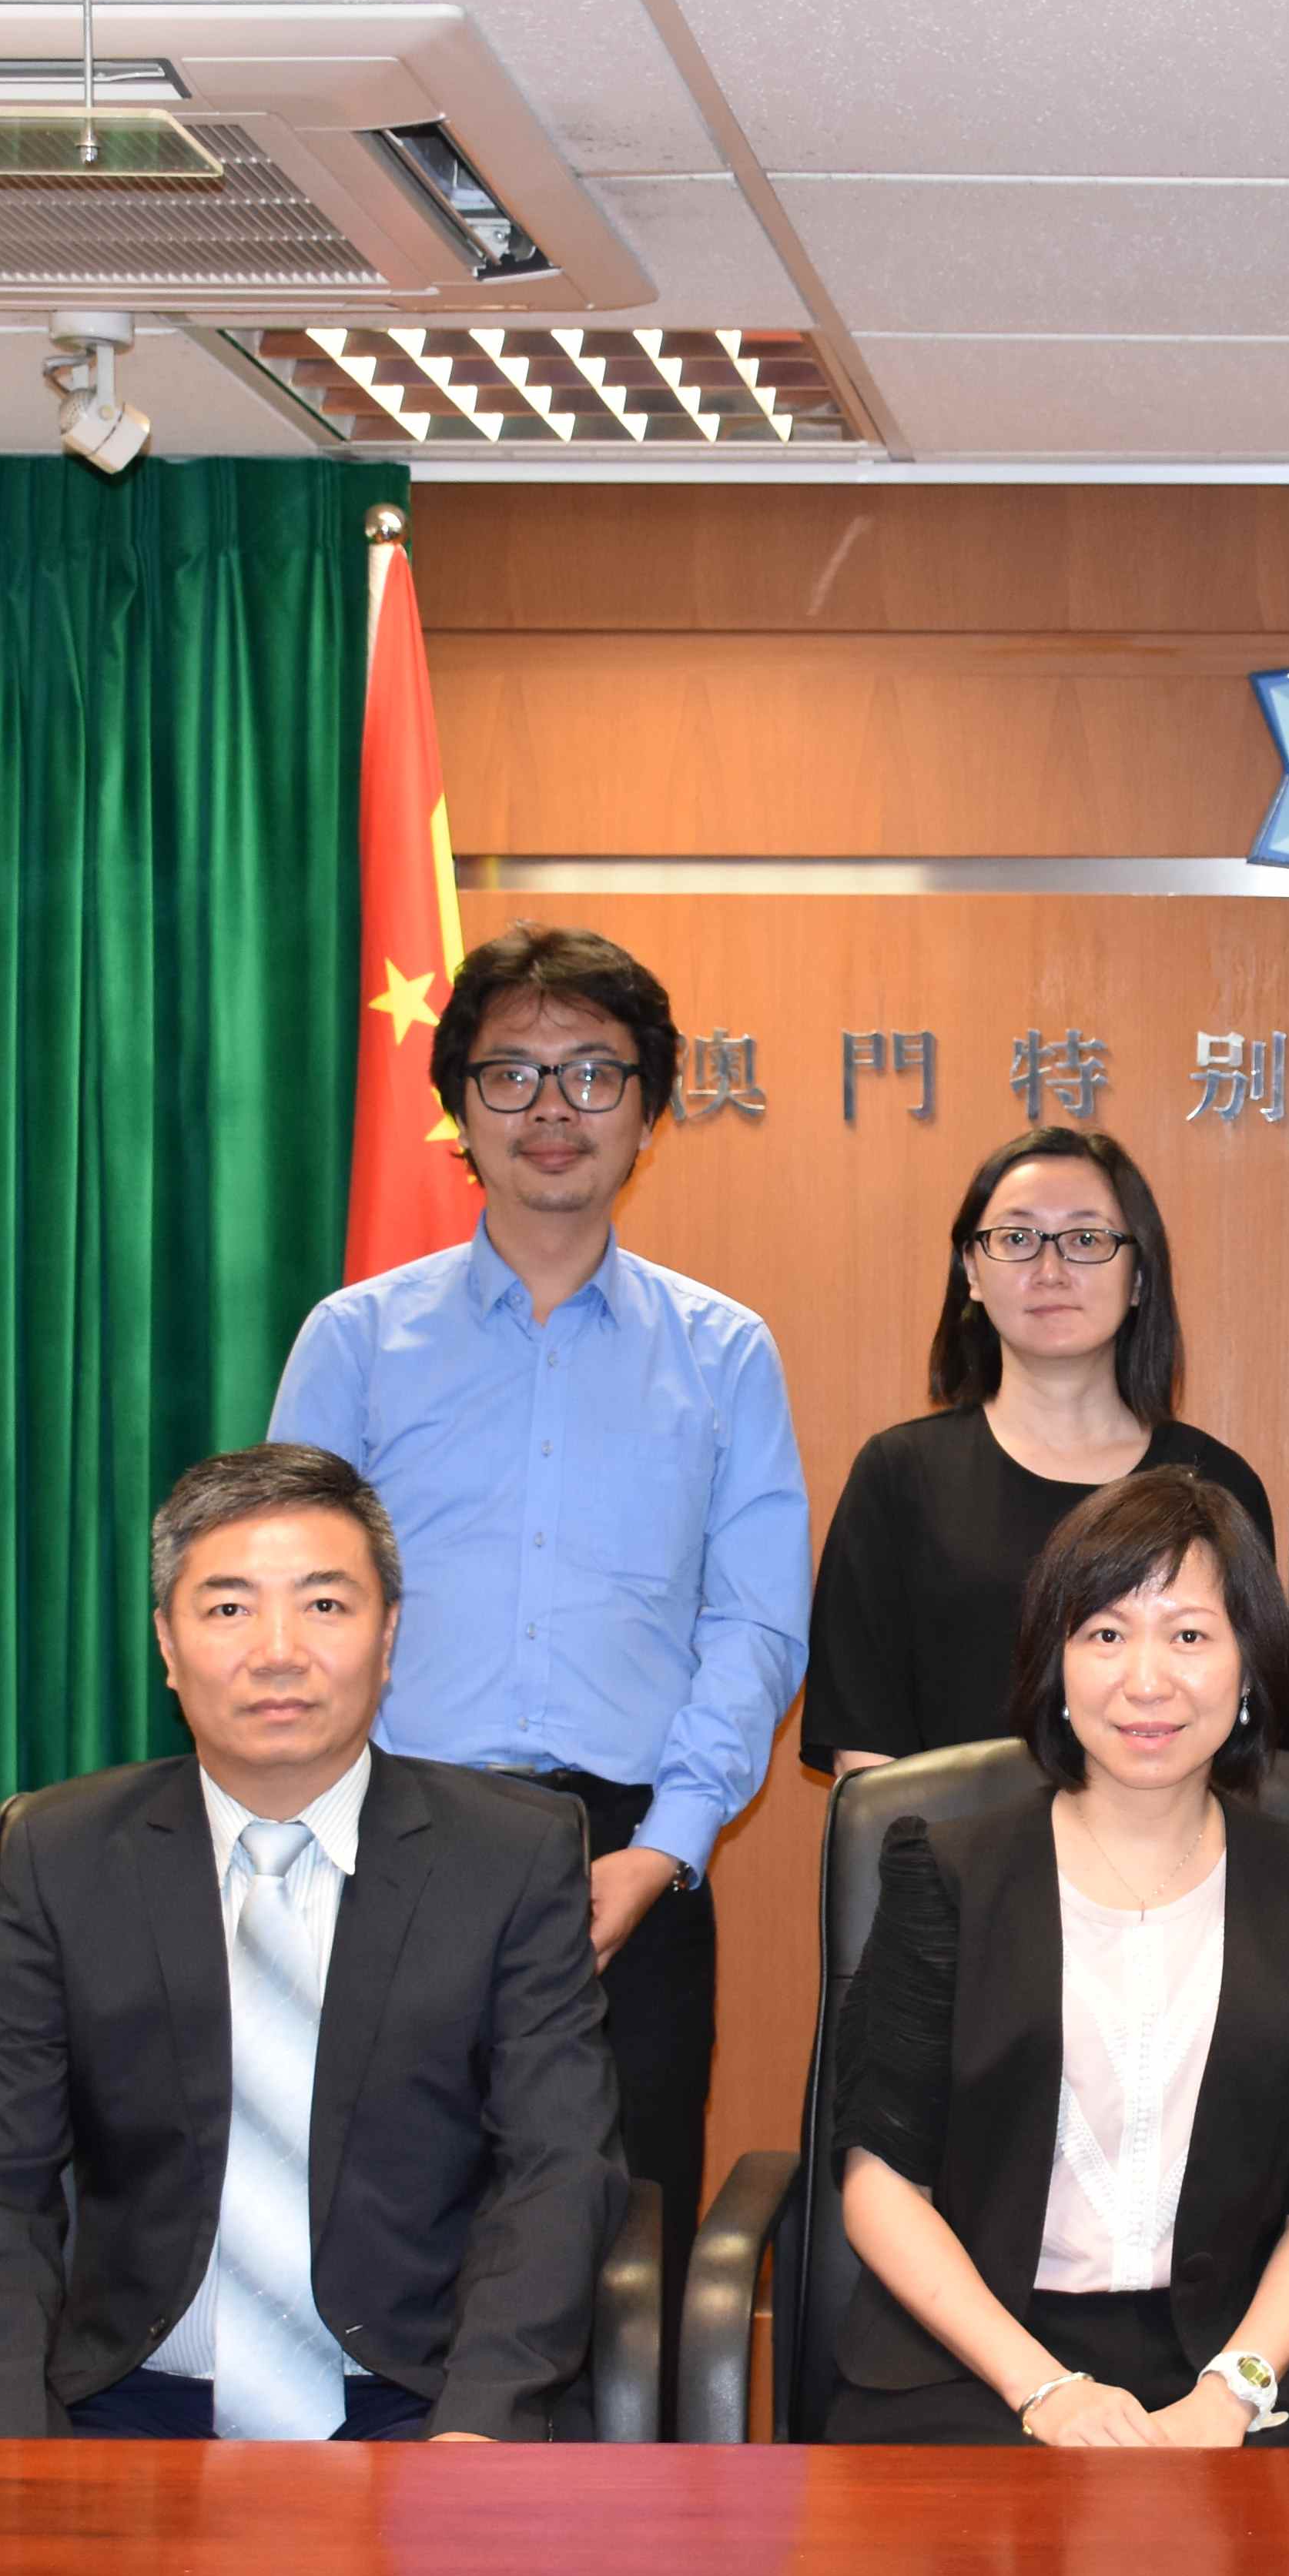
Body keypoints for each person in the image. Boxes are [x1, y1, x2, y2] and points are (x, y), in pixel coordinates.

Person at [270, 922, 806, 2243]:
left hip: (630, 1858)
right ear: (461, 1110)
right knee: (377, 2249)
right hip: (390, 1844)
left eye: (594, 1074)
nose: (553, 1110)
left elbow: (753, 1622)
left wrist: (666, 1849)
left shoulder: (725, 1353)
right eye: (511, 1074)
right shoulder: (355, 1342)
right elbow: (291, 1604)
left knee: (623, 2258)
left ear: (649, 1114)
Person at [0, 1446, 618, 2441]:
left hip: (420, 2404)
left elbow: (557, 2169)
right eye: (229, 1608)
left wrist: (479, 2426)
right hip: (125, 2406)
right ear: (167, 1644)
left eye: (324, 1605)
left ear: (388, 1635)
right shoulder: (64, 1856)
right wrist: (8, 2446)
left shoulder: (510, 1857)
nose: (278, 1651)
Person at [826, 1469, 1289, 2445]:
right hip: (972, 2365)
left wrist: (1233, 2392)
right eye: (1104, 1633)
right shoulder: (947, 1873)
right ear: (1055, 1664)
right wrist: (1044, 2390)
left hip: (1219, 2369)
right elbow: (880, 2181)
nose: (1146, 1679)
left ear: (1249, 1667)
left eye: (1189, 1635)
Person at [804, 1128, 1271, 1778]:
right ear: (972, 1270)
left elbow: (1251, 1733)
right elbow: (864, 1744)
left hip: (1170, 1844)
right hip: (946, 1843)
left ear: (1140, 1276)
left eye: (1087, 1239)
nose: (1050, 1270)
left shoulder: (1215, 1483)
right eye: (1017, 1238)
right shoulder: (899, 1475)